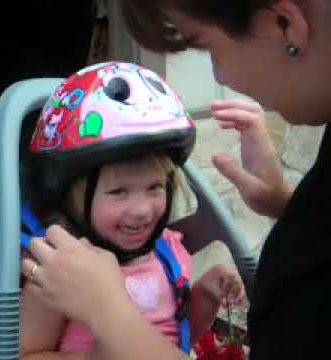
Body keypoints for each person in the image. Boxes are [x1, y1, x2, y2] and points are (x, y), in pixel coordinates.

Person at [20, 62, 245, 359]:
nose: (141, 210)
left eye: (154, 188)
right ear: (72, 199)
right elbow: (28, 353)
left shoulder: (168, 254)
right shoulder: (60, 267)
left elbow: (179, 339)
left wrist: (205, 295)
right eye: (118, 192)